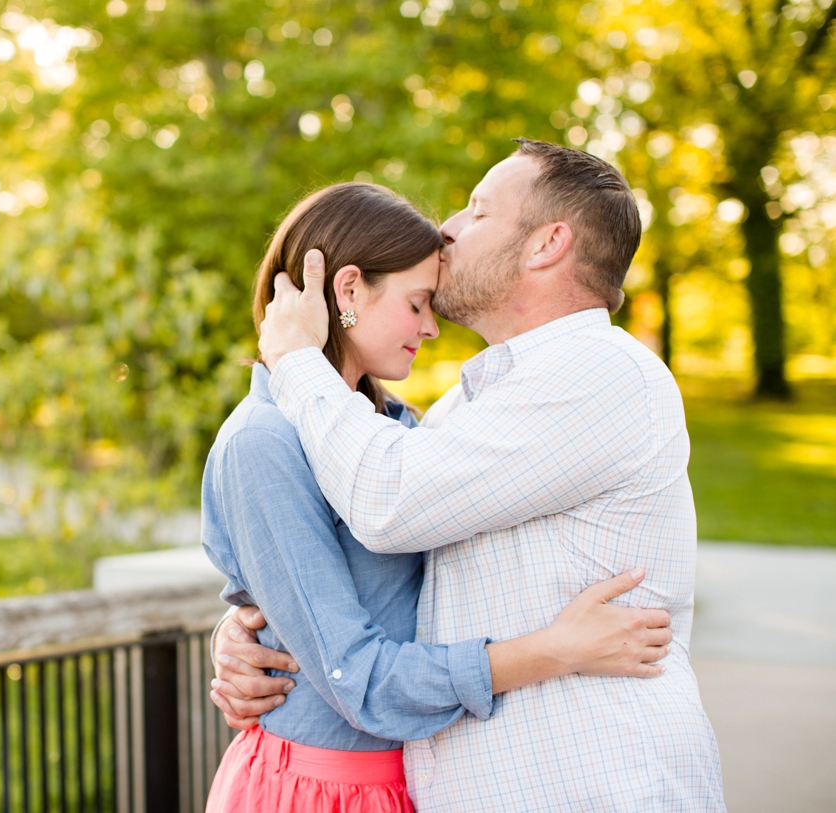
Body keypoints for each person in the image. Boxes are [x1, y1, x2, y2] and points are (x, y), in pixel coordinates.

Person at [218, 139, 726, 811]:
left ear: (547, 244)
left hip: (593, 785)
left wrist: (294, 358)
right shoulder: (466, 404)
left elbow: (386, 501)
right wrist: (256, 629)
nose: (449, 227)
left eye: (478, 209)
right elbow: (354, 563)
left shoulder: (601, 373)